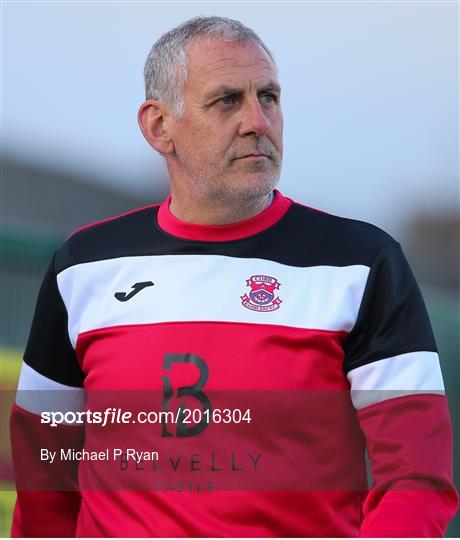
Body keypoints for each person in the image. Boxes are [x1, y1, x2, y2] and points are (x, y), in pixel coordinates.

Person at [10, 16, 458, 537]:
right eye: (228, 100)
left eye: (268, 97)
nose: (258, 122)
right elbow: (44, 475)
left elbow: (417, 476)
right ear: (159, 126)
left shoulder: (361, 263)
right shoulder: (81, 267)